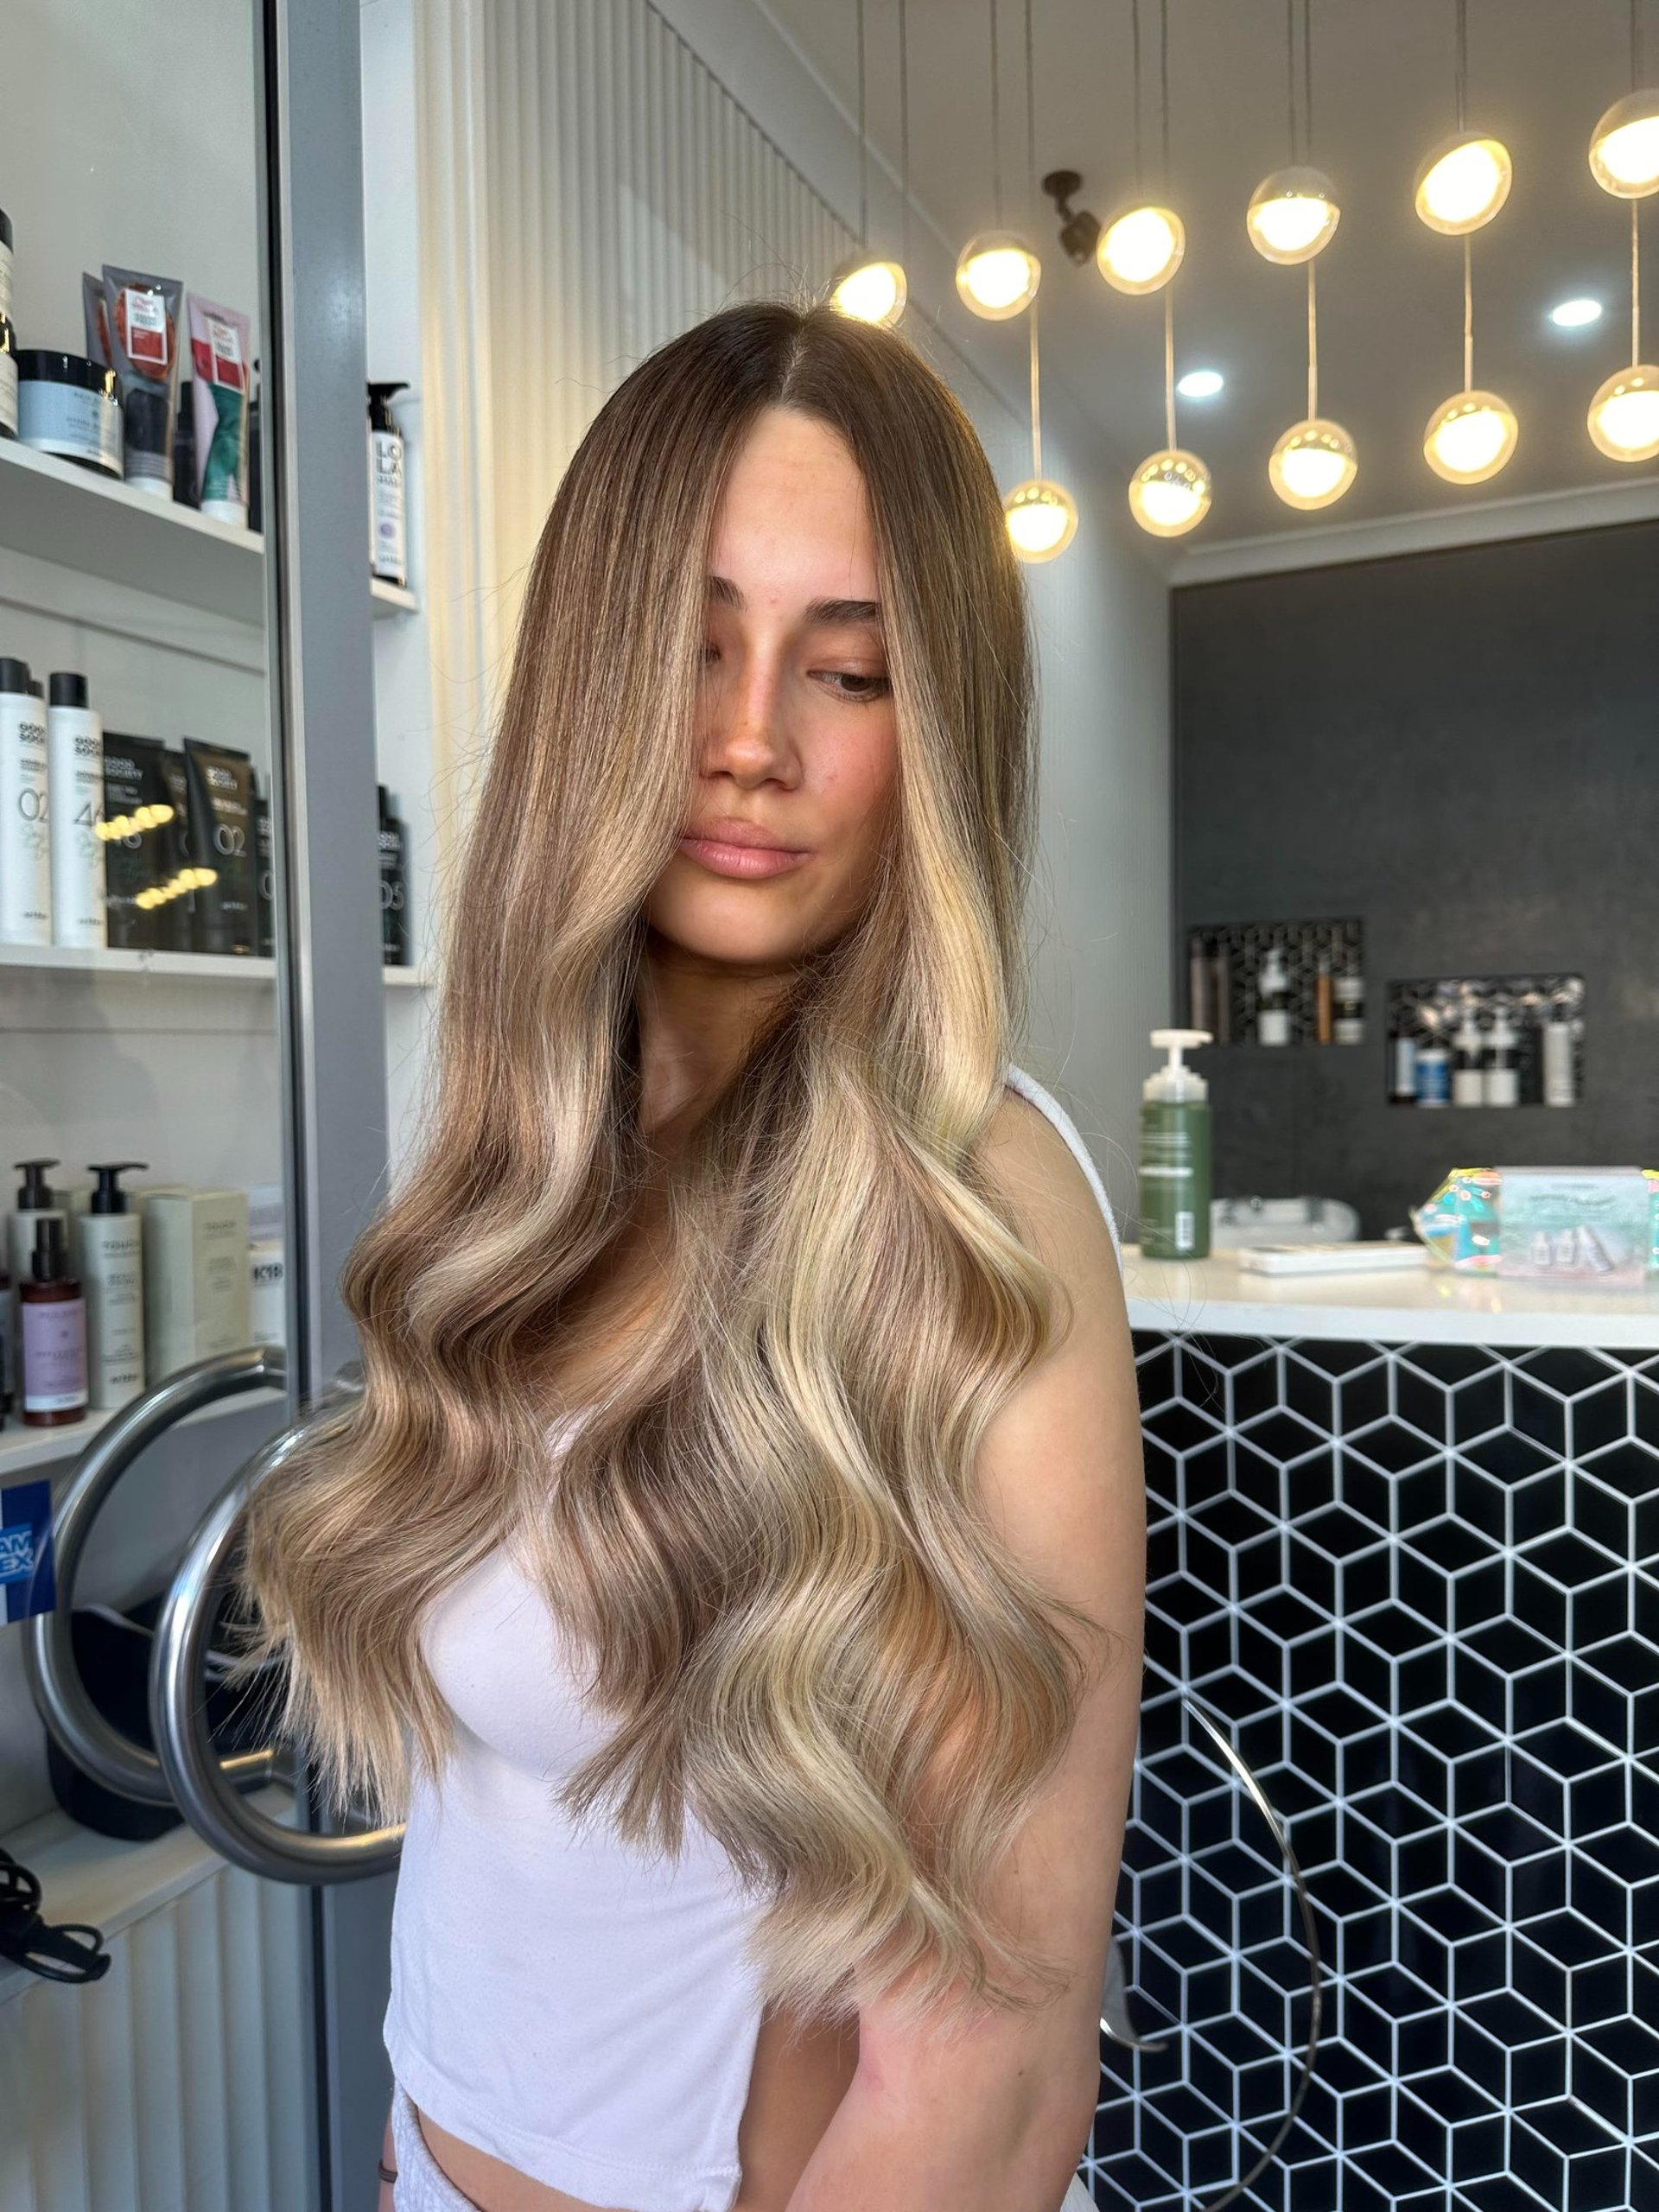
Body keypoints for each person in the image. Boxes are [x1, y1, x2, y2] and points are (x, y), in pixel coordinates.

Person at [232, 297, 1146, 2212]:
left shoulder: (972, 1209)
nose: (746, 741)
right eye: (692, 642)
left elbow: (980, 2074)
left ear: (940, 727)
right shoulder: (535, 1156)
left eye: (851, 670)